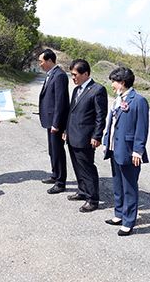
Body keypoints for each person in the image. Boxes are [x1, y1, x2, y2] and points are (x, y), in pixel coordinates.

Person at [102, 67, 150, 236]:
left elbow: (142, 128)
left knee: (129, 186)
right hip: (115, 148)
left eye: (114, 82)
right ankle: (119, 213)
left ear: (122, 82)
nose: (112, 85)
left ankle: (129, 221)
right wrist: (106, 141)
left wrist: (138, 150)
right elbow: (112, 123)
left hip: (129, 151)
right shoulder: (117, 99)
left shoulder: (138, 100)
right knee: (117, 183)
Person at [64, 59, 108, 213]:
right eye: (71, 75)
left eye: (75, 75)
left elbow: (100, 116)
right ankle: (82, 191)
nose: (73, 78)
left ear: (86, 74)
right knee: (77, 166)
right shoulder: (76, 90)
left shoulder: (98, 90)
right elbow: (72, 112)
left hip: (86, 137)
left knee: (87, 167)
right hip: (73, 135)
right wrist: (66, 131)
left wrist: (97, 136)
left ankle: (92, 199)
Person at [38, 49, 69, 194]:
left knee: (57, 151)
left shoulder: (60, 76)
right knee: (52, 150)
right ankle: (55, 174)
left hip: (56, 122)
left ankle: (60, 182)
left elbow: (60, 102)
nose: (40, 64)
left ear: (49, 60)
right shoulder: (51, 74)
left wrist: (57, 123)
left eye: (41, 61)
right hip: (50, 120)